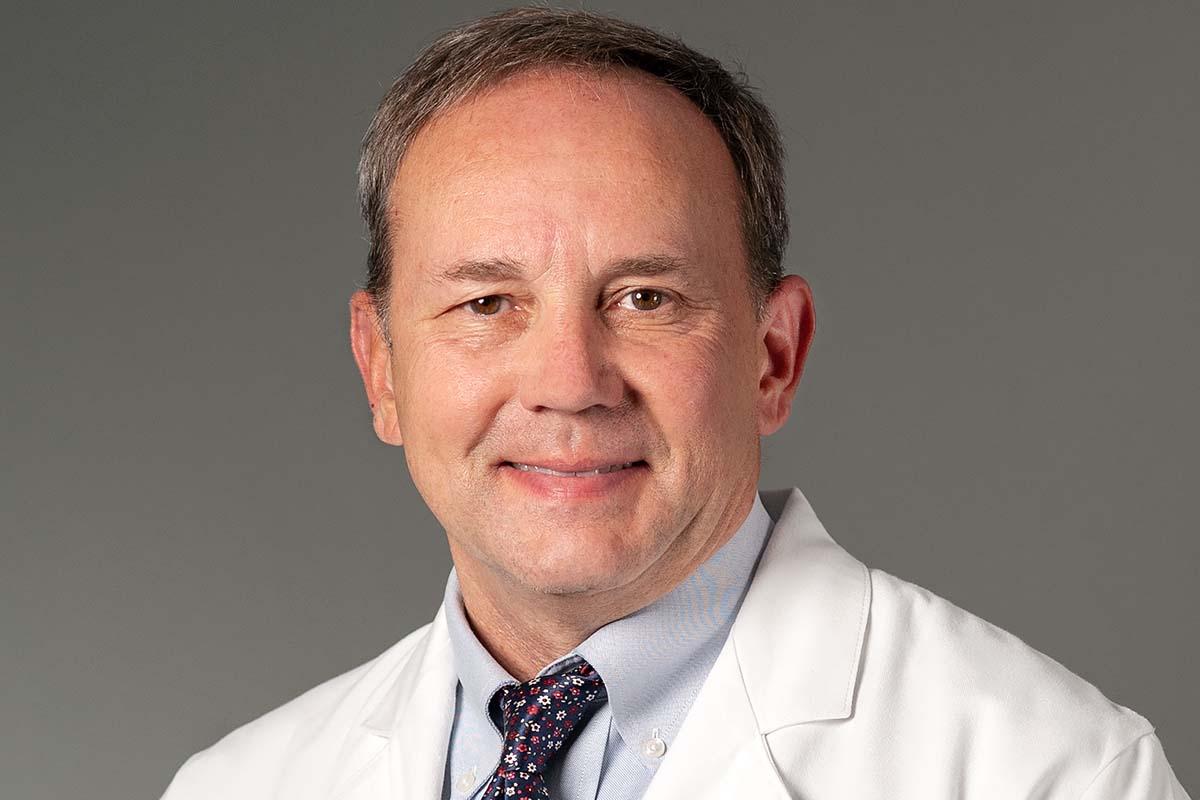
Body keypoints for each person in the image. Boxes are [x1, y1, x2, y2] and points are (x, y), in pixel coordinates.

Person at [161, 7, 1190, 799]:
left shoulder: (1052, 771)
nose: (569, 381)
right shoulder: (240, 782)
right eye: (487, 302)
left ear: (773, 357)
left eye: (645, 298)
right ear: (381, 365)